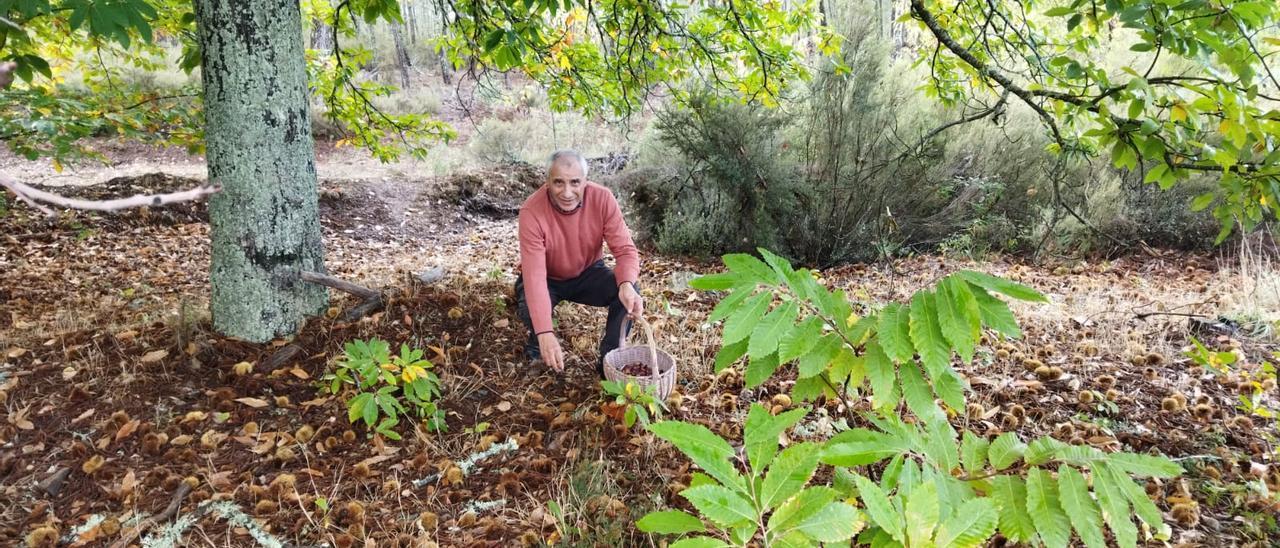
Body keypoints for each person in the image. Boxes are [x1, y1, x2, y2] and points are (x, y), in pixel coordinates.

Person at [514, 149, 644, 377]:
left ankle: (609, 362)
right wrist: (545, 332)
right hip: (547, 278)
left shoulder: (602, 199)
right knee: (529, 307)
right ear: (547, 182)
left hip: (588, 273)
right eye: (558, 183)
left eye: (575, 182)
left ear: (585, 181)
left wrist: (625, 284)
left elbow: (625, 250)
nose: (567, 192)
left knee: (629, 292)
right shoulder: (531, 211)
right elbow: (534, 277)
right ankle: (537, 343)